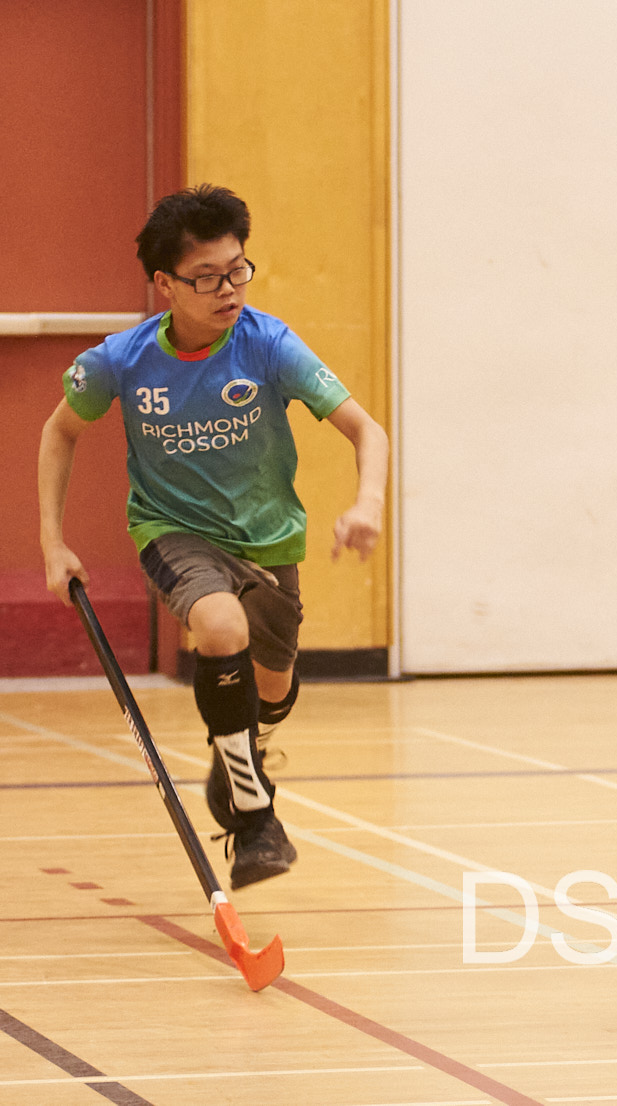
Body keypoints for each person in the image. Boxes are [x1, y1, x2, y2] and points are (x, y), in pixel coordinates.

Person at [39, 185, 390, 885]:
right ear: (165, 284)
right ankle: (256, 824)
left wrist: (368, 503)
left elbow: (366, 429)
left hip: (269, 540)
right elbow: (60, 431)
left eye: (238, 271)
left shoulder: (269, 344)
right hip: (173, 530)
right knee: (220, 625)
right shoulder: (120, 361)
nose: (228, 290)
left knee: (273, 694)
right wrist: (52, 541)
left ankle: (236, 764)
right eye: (206, 278)